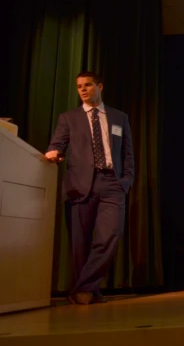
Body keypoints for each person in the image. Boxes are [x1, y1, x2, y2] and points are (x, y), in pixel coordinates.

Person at [45, 71, 134, 305]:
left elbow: (127, 153)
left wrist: (126, 180)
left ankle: (81, 288)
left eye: (88, 85)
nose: (83, 89)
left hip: (112, 183)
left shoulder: (118, 117)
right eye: (79, 86)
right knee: (79, 243)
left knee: (110, 235)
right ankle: (90, 291)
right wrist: (53, 152)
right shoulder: (69, 118)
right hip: (80, 185)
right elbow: (57, 144)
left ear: (100, 86)